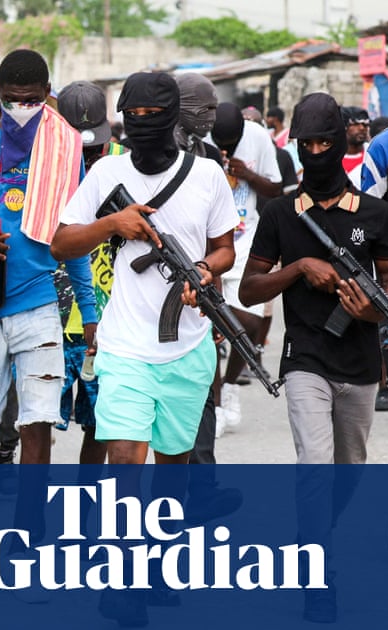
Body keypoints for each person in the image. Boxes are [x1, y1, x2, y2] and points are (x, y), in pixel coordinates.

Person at [238, 92, 388, 624]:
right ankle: (316, 578)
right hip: (305, 356)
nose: (317, 152)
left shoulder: (376, 213)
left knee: (348, 474)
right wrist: (299, 267)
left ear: (342, 142)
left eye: (326, 143)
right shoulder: (282, 213)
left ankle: (313, 529)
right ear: (297, 146)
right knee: (313, 470)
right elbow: (250, 288)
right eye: (308, 145)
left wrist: (370, 310)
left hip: (361, 361)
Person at [0, 49, 93, 562]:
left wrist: (89, 311)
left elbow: (71, 235)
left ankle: (30, 530)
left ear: (48, 95)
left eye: (32, 100)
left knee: (39, 419)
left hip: (38, 301)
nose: (22, 109)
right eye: (12, 100)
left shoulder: (63, 149)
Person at [51, 70, 237, 465]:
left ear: (172, 115)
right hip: (124, 347)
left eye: (152, 113)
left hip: (187, 348)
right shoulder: (107, 172)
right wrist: (111, 224)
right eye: (133, 114)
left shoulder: (207, 175)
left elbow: (225, 250)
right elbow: (61, 245)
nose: (142, 122)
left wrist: (204, 269)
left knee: (173, 470)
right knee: (124, 463)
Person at [207, 102, 282, 430]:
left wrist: (248, 174)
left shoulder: (258, 136)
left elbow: (276, 189)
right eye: (220, 143)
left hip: (245, 239)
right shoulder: (202, 138)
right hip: (208, 244)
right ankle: (214, 404)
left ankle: (230, 385)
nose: (224, 148)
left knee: (250, 324)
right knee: (209, 326)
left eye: (230, 143)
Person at [53, 80, 113, 466]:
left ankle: (87, 496)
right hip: (51, 320)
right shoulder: (45, 169)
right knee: (37, 420)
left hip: (106, 323)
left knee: (101, 425)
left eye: (94, 150)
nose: (88, 160)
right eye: (80, 150)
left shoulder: (123, 165)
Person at [341, 106, 371, 186]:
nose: (362, 128)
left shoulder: (373, 154)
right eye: (356, 124)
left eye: (365, 124)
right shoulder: (331, 156)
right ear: (344, 126)